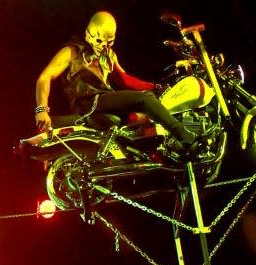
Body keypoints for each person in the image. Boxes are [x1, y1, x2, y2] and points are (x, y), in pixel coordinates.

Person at [34, 10, 199, 157]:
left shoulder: (109, 55)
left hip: (104, 104)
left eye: (109, 42)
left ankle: (160, 154)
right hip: (90, 101)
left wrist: (156, 86)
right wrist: (41, 109)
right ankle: (184, 135)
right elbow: (44, 77)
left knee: (143, 115)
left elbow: (125, 80)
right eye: (99, 41)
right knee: (144, 99)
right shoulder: (72, 51)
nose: (104, 47)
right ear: (89, 33)